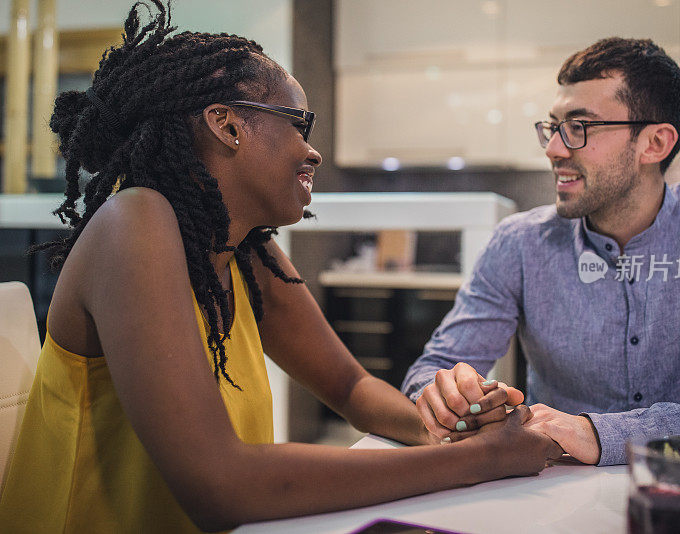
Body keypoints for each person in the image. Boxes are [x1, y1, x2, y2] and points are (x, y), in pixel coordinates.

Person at [0, 2, 561, 532]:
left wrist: (446, 428)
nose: (313, 151)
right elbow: (218, 485)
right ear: (226, 125)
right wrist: (480, 461)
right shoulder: (134, 224)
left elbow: (351, 386)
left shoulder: (245, 250)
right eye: (299, 122)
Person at [402, 37, 680, 467]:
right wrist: (444, 394)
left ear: (655, 144)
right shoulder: (518, 243)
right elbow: (431, 370)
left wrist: (602, 433)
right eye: (553, 127)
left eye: (579, 127)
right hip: (550, 500)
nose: (554, 148)